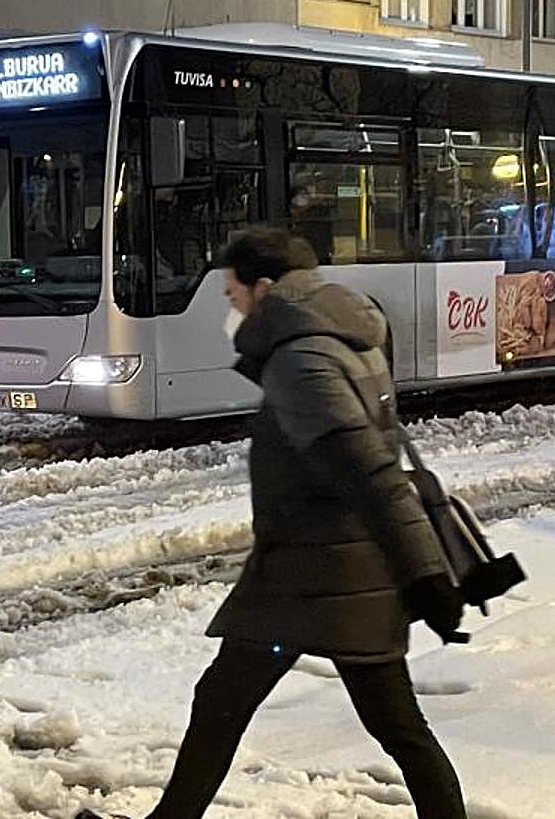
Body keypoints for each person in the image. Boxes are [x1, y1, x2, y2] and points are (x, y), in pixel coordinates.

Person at [78, 227, 468, 819]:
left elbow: (368, 470)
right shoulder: (347, 334)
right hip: (332, 570)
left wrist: (426, 575)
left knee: (235, 704)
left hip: (316, 577)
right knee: (383, 722)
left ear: (264, 289)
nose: (230, 309)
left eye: (233, 296)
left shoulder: (300, 360)